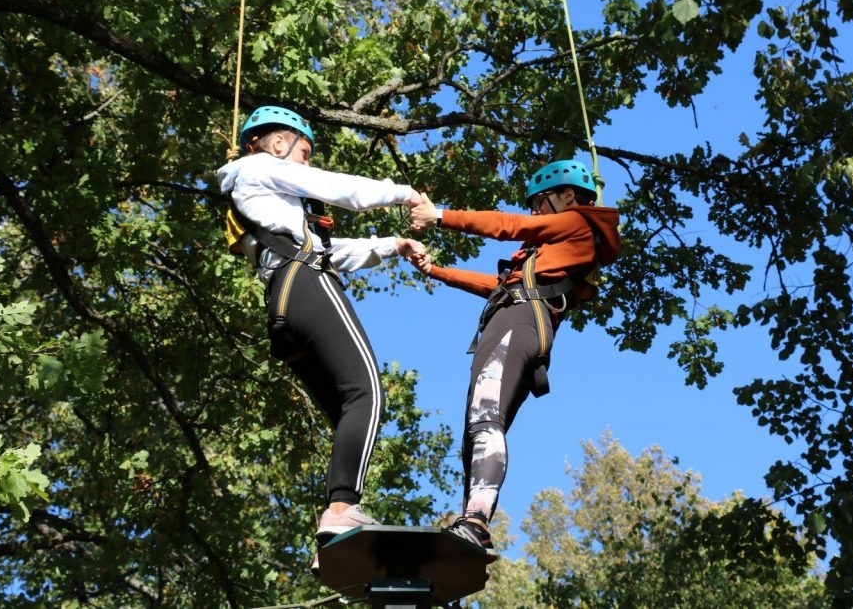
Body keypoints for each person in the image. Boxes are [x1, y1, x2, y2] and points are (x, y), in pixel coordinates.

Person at [216, 106, 424, 563]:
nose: (307, 163)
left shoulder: (266, 203)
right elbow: (335, 187)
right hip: (307, 285)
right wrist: (405, 194)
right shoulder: (260, 167)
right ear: (277, 144)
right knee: (367, 394)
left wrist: (392, 245)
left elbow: (329, 252)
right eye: (304, 153)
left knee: (346, 411)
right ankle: (342, 508)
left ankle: (336, 529)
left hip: (285, 303)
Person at [407, 160, 621, 561]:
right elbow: (497, 287)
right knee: (477, 430)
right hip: (511, 318)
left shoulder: (575, 223)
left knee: (486, 417)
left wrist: (439, 216)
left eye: (540, 203)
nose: (537, 214)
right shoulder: (544, 257)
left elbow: (511, 225)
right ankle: (472, 524)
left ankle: (475, 523)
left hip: (520, 321)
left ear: (568, 196)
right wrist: (436, 270)